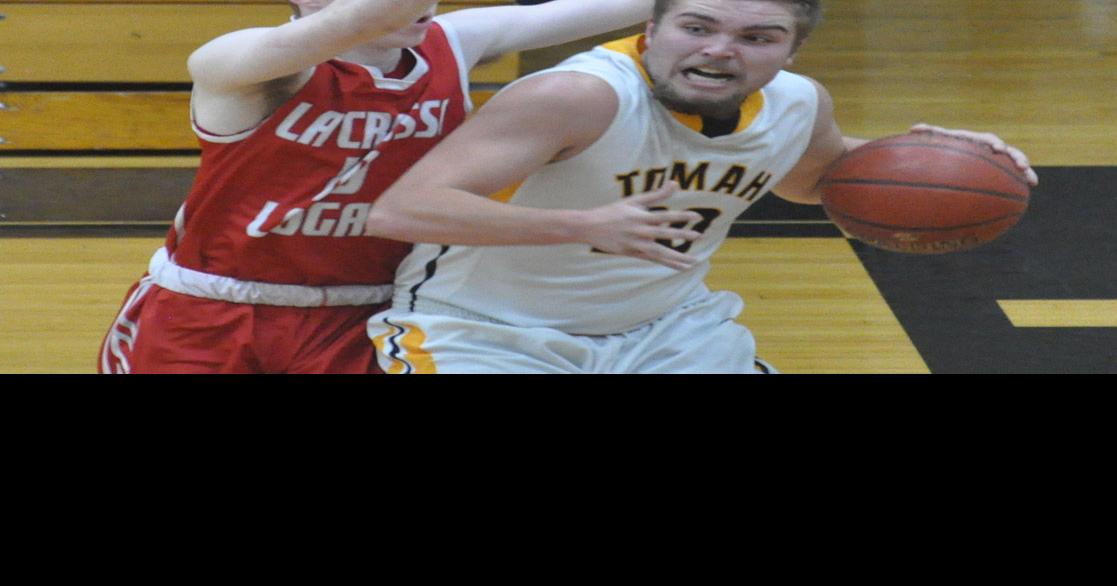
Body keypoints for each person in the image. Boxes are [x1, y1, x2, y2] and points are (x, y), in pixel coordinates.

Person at [362, 0, 1039, 374]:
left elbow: (815, 180)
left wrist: (933, 161)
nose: (719, 50)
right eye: (697, 27)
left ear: (789, 52)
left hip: (668, 333)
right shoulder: (575, 97)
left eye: (756, 37)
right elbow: (402, 209)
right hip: (487, 335)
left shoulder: (798, 104)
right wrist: (582, 224)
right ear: (651, 30)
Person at [99, 0, 701, 374]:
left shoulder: (452, 43)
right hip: (211, 310)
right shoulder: (246, 62)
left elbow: (599, 7)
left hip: (368, 310)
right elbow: (349, 22)